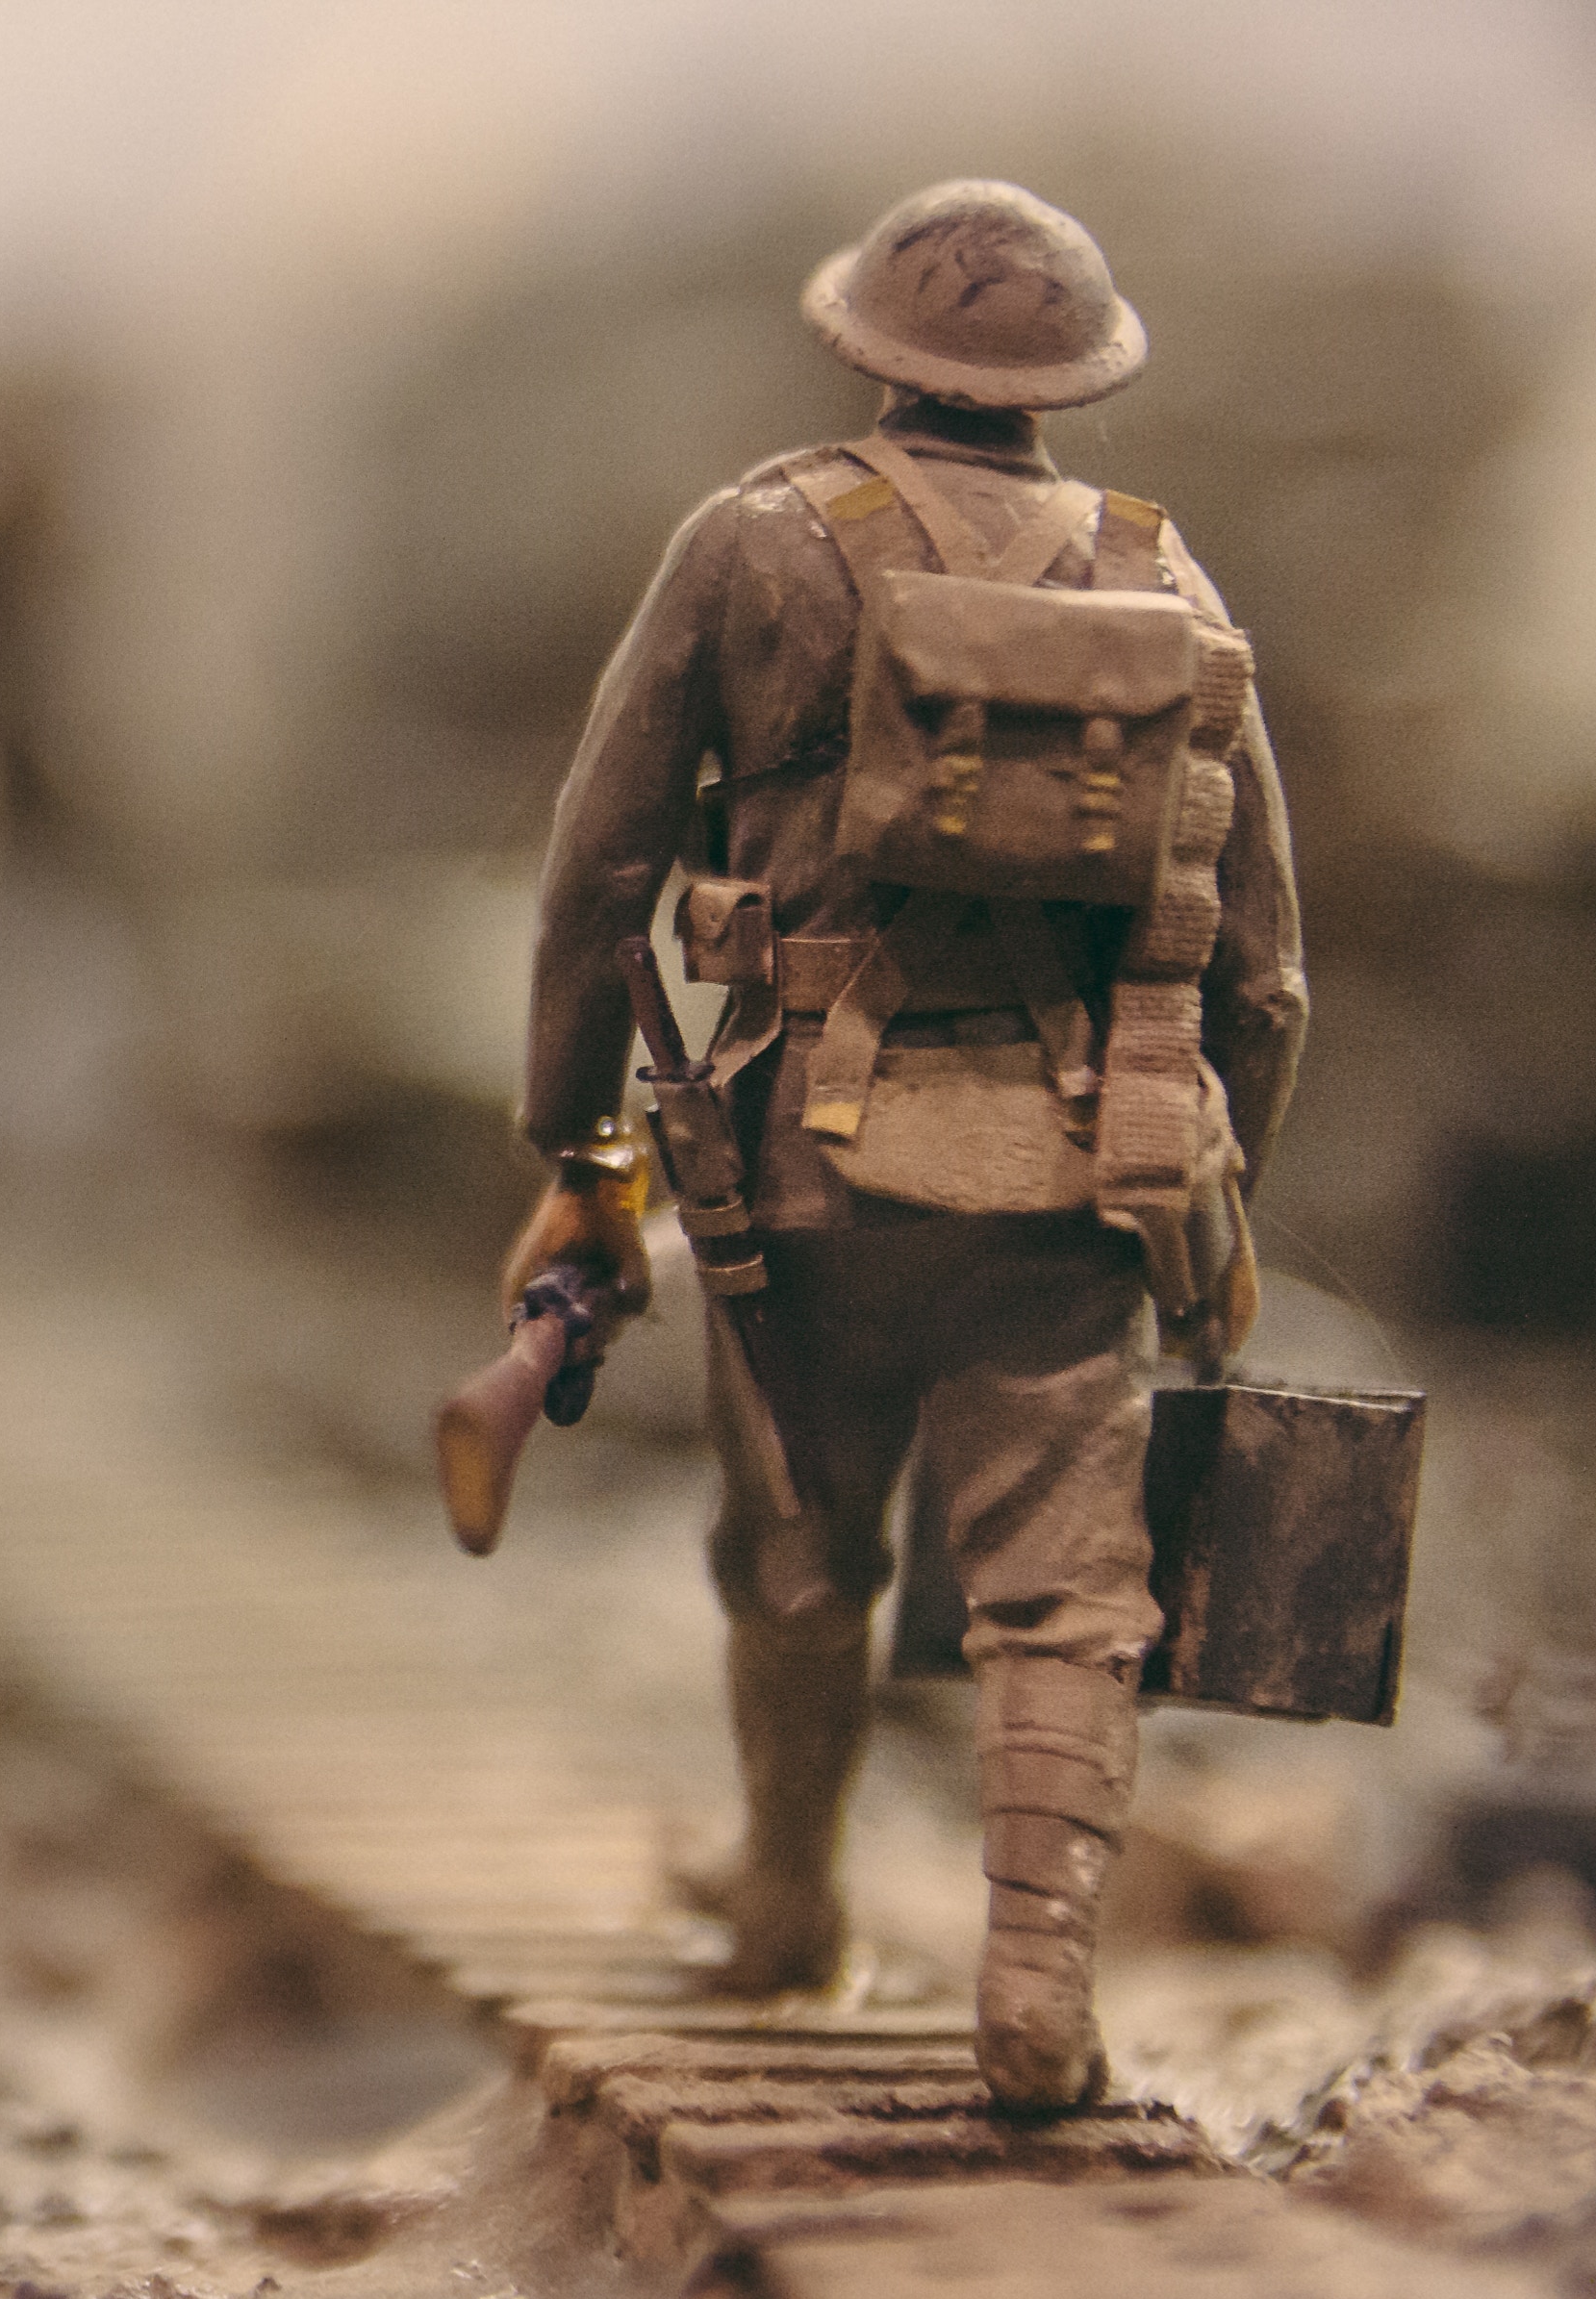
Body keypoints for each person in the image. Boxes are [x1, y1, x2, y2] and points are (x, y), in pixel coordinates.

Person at [505, 179, 1307, 2108]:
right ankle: (1036, 1988)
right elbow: (1263, 972)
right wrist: (1211, 1188)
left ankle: (790, 1906)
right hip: (1079, 1171)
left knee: (796, 1543)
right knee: (1068, 1591)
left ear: (865, 341)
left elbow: (598, 869)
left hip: (809, 1160)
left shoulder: (756, 543)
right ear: (1070, 376)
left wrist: (575, 1137)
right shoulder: (1165, 580)